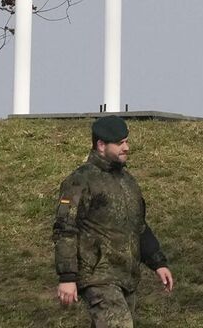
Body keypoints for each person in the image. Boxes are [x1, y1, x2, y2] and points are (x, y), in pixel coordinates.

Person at [53, 116, 174, 326]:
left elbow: (139, 226)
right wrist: (67, 277)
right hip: (97, 277)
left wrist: (158, 263)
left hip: (126, 278)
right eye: (120, 143)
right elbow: (65, 229)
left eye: (126, 141)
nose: (127, 147)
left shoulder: (128, 182)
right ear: (101, 145)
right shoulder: (81, 180)